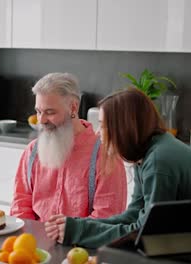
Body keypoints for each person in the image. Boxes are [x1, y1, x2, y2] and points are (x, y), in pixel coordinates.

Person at [44, 87, 191, 248]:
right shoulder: (150, 150)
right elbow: (133, 216)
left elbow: (144, 234)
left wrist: (79, 231)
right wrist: (77, 225)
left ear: (124, 127)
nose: (98, 132)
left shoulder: (158, 161)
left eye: (103, 125)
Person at [10, 73, 127, 222]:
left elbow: (107, 217)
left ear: (73, 107)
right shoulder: (32, 151)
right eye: (38, 111)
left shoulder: (105, 155)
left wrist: (65, 234)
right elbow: (20, 205)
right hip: (34, 242)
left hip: (83, 243)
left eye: (50, 112)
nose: (42, 120)